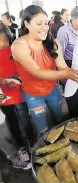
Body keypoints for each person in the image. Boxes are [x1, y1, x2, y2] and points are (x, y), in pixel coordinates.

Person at [11, 5, 78, 138]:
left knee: (59, 122)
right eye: (39, 23)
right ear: (27, 23)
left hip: (53, 89)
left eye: (46, 23)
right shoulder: (19, 45)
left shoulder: (53, 42)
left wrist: (77, 73)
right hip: (33, 94)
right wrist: (67, 74)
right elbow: (37, 72)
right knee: (43, 130)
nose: (44, 27)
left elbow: (62, 66)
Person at [0, 22, 33, 161]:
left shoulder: (15, 49)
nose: (3, 46)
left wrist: (18, 78)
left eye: (5, 42)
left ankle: (32, 142)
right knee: (11, 120)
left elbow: (24, 67)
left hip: (18, 89)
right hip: (1, 93)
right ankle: (21, 147)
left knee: (25, 117)